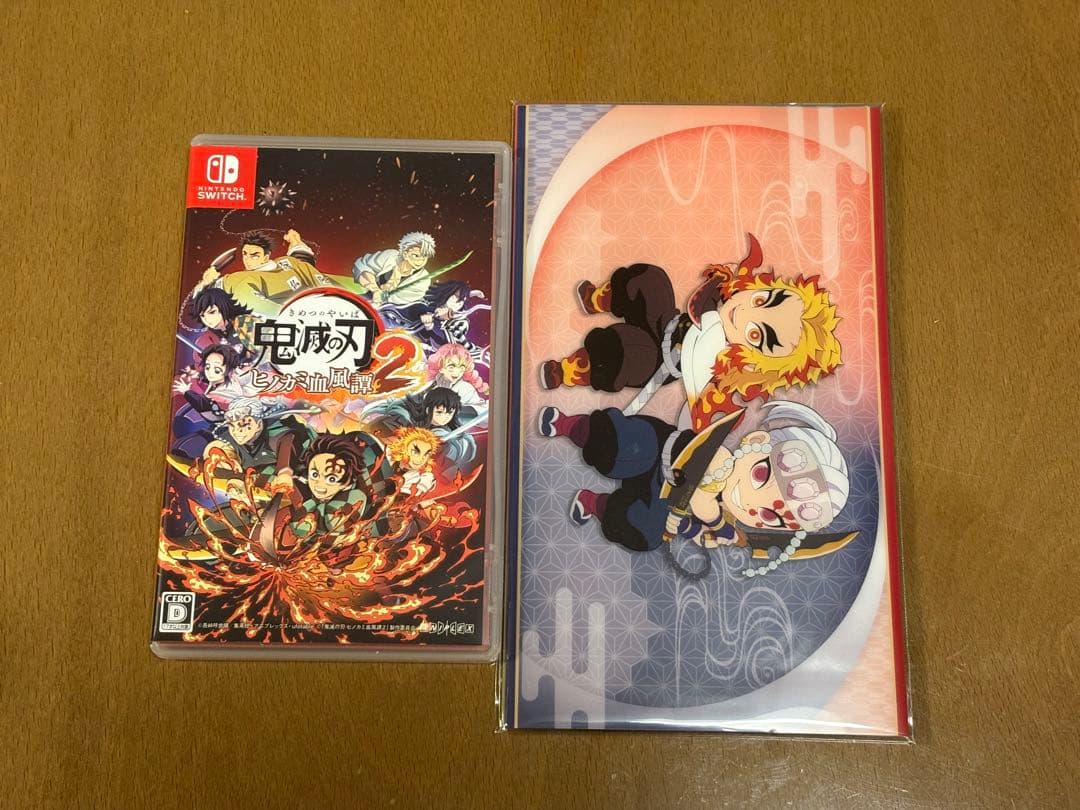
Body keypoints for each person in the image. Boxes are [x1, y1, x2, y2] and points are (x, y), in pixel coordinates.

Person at [540, 234, 841, 430]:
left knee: (625, 351)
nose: (744, 313)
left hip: (657, 360)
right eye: (760, 301)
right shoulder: (722, 299)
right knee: (651, 280)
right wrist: (721, 280)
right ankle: (598, 299)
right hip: (666, 321)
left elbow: (702, 405)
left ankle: (566, 371)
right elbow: (701, 304)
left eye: (755, 335)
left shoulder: (726, 367)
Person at [539, 399, 849, 577]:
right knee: (620, 447)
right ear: (756, 442)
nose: (752, 503)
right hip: (658, 450)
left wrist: (696, 532)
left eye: (769, 516)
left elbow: (693, 519)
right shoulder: (722, 460)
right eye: (760, 474)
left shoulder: (730, 513)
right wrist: (723, 530)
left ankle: (595, 503)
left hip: (661, 495)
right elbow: (702, 502)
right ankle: (567, 425)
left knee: (646, 533)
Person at [193, 229, 340, 317]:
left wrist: (296, 242)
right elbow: (202, 299)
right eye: (245, 254)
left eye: (254, 255)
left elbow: (302, 263)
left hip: (328, 306)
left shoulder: (286, 261)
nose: (247, 260)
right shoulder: (237, 280)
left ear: (266, 257)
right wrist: (205, 283)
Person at [351, 231, 436, 306]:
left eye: (425, 256)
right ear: (405, 254)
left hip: (390, 311)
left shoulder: (423, 278)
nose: (421, 261)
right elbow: (361, 266)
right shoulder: (391, 256)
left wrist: (383, 296)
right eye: (416, 256)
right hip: (365, 298)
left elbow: (401, 302)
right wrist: (375, 289)